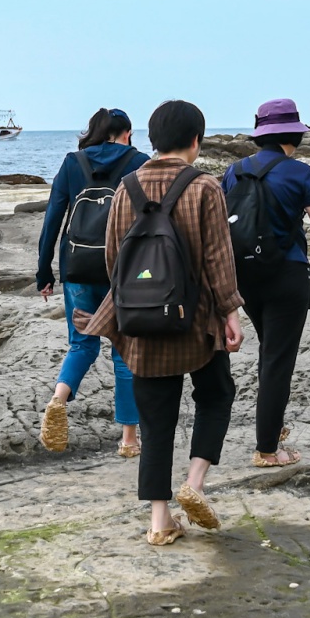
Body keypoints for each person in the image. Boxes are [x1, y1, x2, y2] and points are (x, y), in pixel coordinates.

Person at [77, 100, 245, 546]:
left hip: (141, 321)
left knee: (155, 421)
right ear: (196, 140)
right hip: (197, 320)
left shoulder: (125, 188)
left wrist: (133, 305)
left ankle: (158, 520)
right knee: (215, 395)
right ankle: (194, 482)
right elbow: (218, 259)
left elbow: (113, 258)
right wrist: (230, 312)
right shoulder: (206, 186)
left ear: (151, 140)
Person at [221, 98, 310, 468]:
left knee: (270, 351)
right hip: (286, 275)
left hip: (244, 278)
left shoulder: (233, 171)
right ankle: (267, 449)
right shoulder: (300, 173)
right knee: (278, 360)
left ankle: (273, 426)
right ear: (293, 133)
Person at [35, 108, 149, 457]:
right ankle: (129, 440)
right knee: (124, 352)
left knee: (82, 344)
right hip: (122, 270)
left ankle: (58, 399)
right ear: (127, 132)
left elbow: (53, 218)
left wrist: (45, 272)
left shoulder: (73, 162)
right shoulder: (139, 162)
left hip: (77, 267)